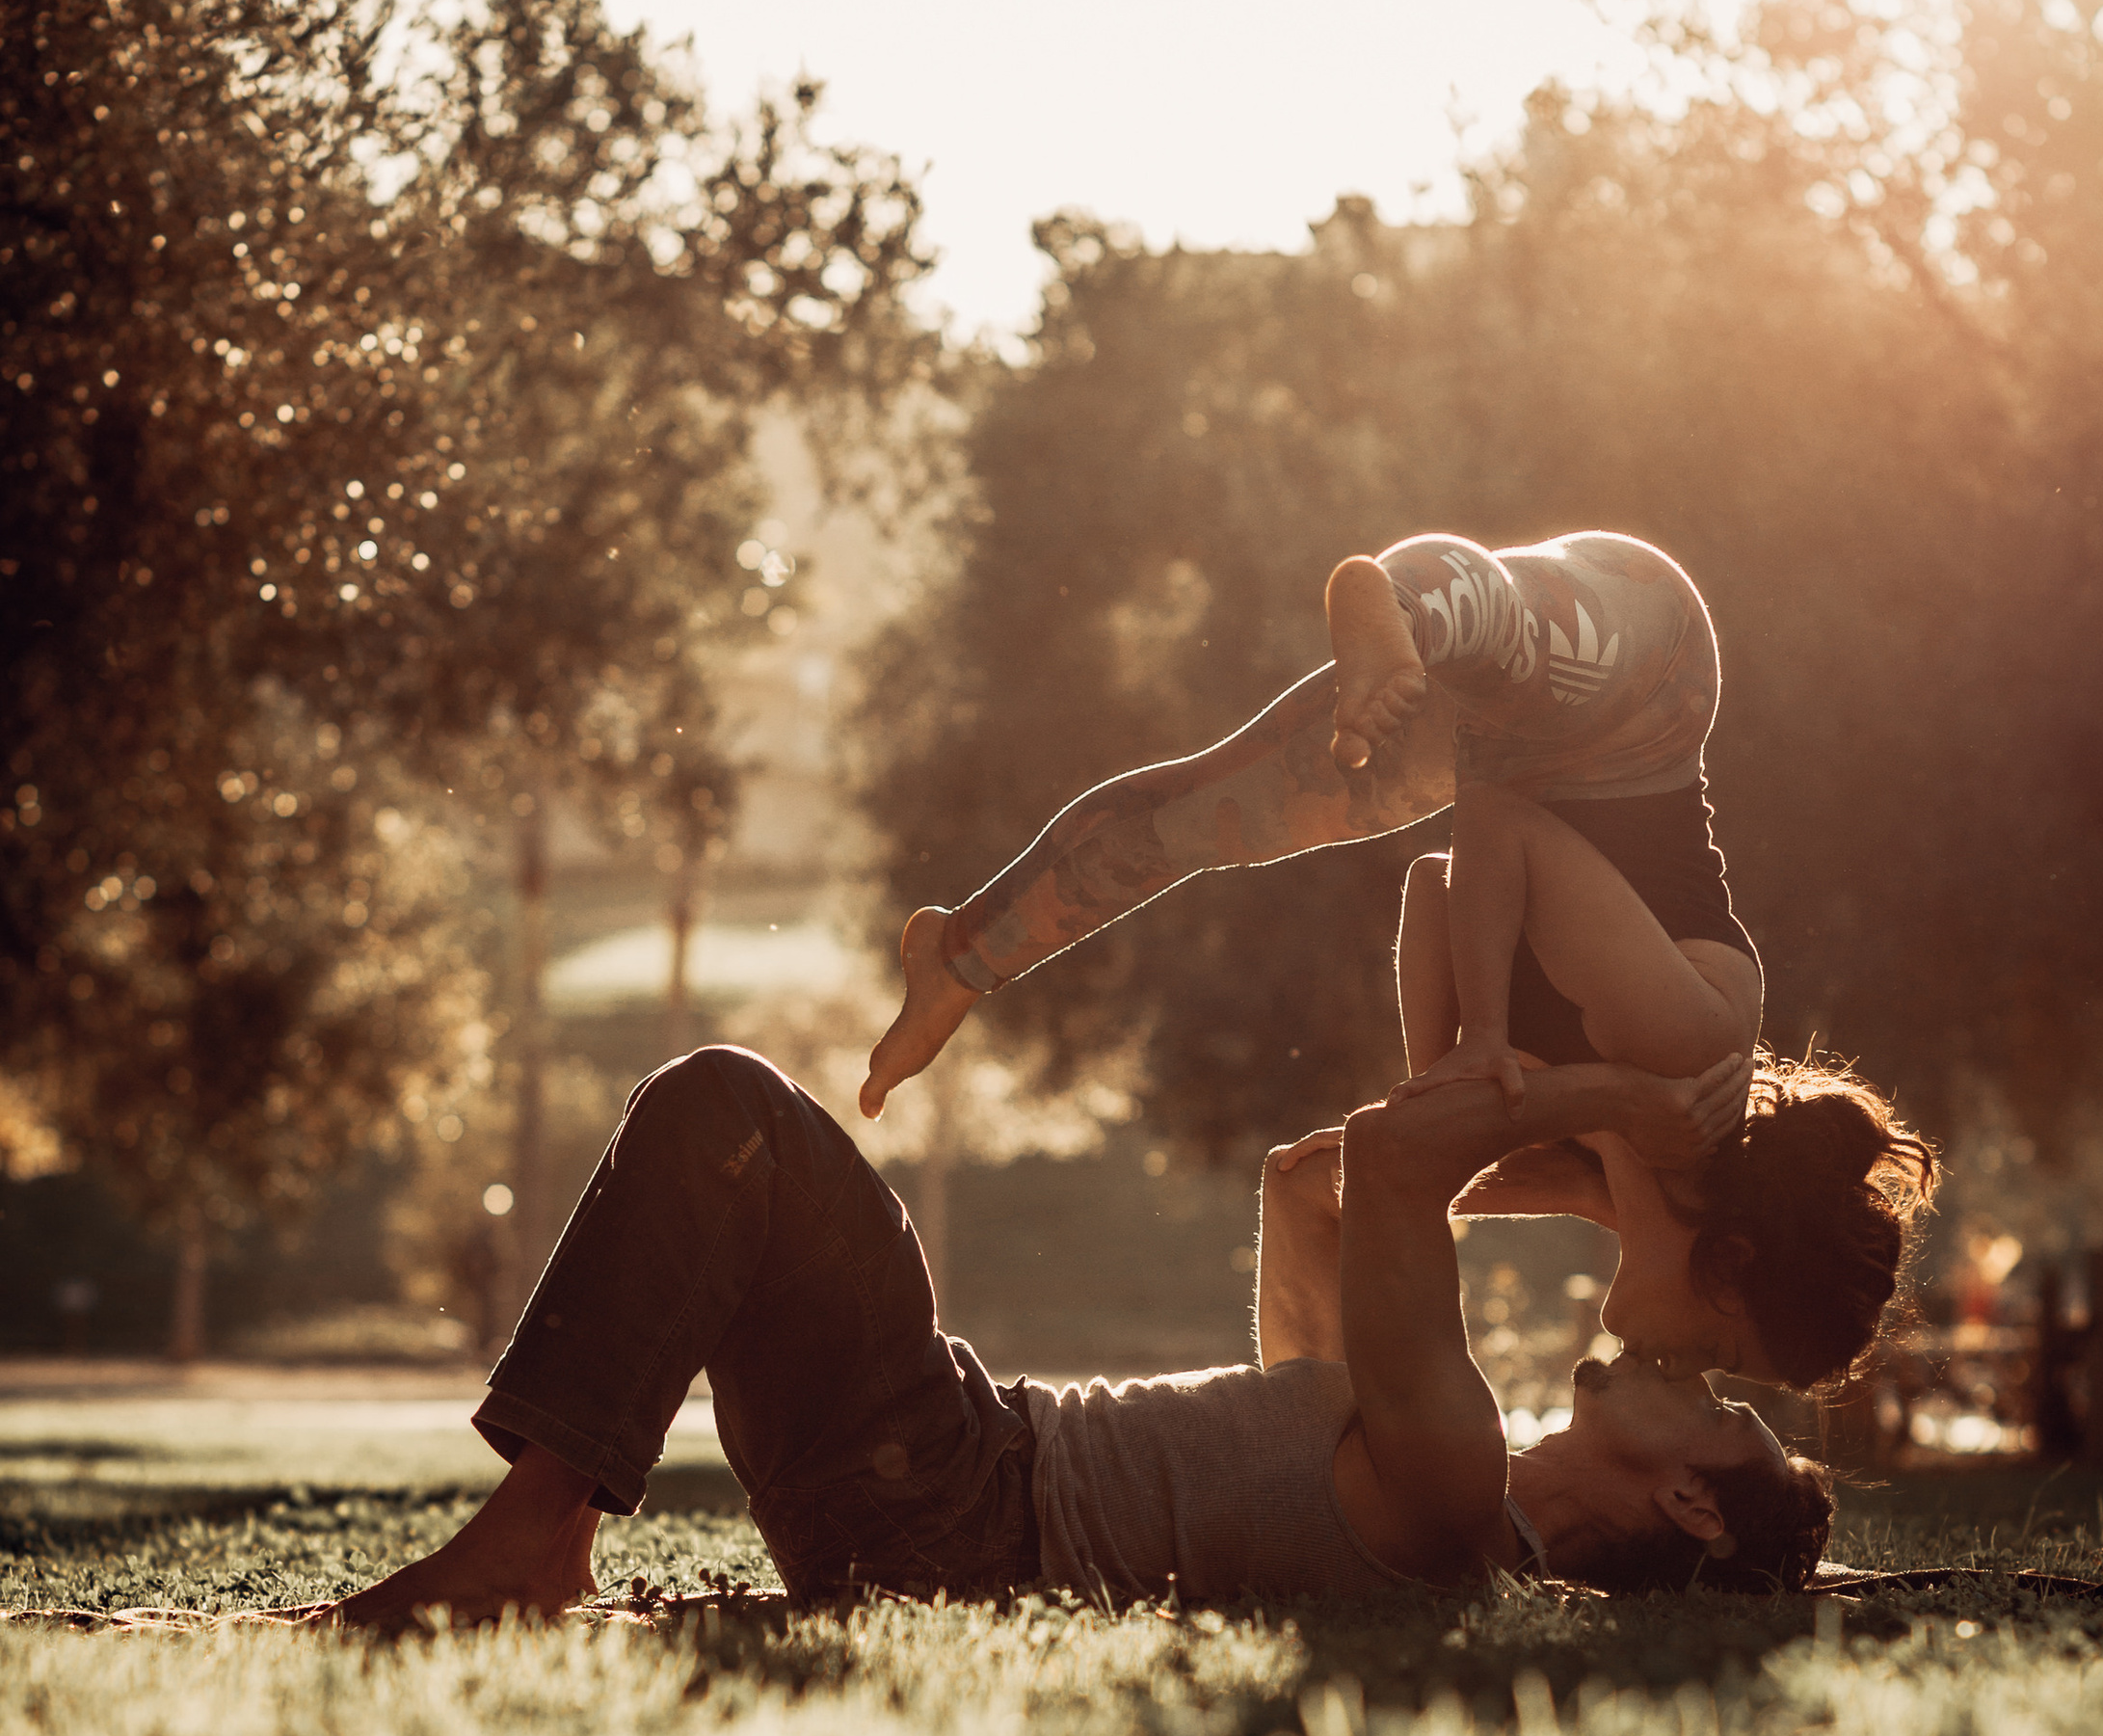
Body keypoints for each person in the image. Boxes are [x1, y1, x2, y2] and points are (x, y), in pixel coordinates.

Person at [860, 528, 1933, 1393]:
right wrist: (1483, 1042)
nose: (1694, 1380)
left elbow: (1433, 884)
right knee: (1505, 633)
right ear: (1734, 1275)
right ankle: (1395, 599)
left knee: (1203, 817)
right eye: (1726, 1361)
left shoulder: (1593, 1172)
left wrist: (1443, 1095)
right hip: (1640, 674)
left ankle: (959, 957)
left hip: (1506, 743)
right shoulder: (1689, 1060)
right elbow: (1499, 825)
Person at [319, 1043, 1832, 1633]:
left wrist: (1632, 1131)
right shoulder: (1420, 1450)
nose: (1707, 1383)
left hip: (953, 1496)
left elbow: (1397, 1159)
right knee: (736, 1143)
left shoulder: (1453, 1481)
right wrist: (1609, 1179)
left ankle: (532, 1537)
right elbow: (1316, 1184)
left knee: (731, 1116)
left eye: (1730, 1421)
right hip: (931, 1479)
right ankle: (541, 1530)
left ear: (1691, 1500)